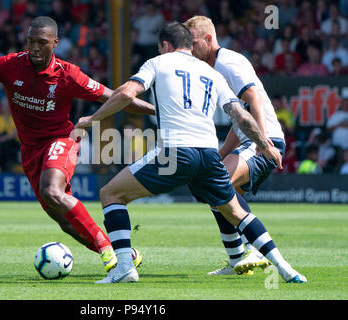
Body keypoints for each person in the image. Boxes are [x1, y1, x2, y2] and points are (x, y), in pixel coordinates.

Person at [75, 22, 306, 284]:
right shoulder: (211, 73)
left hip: (175, 153)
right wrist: (264, 145)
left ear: (165, 45)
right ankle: (285, 268)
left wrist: (93, 118)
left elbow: (127, 93)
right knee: (235, 210)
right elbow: (240, 115)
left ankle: (125, 267)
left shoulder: (157, 63)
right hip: (208, 156)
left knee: (110, 193)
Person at [0, 16, 154, 273]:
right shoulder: (9, 65)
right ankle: (124, 254)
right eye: (31, 41)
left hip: (61, 140)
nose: (35, 47)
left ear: (55, 43)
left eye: (42, 42)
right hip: (30, 150)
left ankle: (106, 249)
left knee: (52, 192)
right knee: (65, 222)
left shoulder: (68, 74)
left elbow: (116, 97)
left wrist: (157, 111)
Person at [184, 16, 287, 276]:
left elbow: (254, 99)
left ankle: (251, 250)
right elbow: (238, 120)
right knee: (215, 191)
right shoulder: (212, 68)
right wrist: (221, 154)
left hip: (265, 141)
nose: (189, 48)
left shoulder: (228, 62)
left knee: (217, 184)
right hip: (250, 141)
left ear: (208, 39)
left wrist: (262, 142)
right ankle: (235, 259)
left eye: (192, 42)